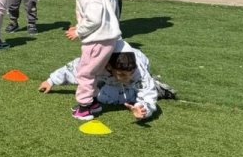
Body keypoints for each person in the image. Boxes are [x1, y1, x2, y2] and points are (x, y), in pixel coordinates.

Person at [52, 0, 121, 121]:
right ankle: (94, 103)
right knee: (93, 73)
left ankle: (85, 107)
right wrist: (80, 26)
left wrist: (79, 31)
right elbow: (95, 17)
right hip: (103, 39)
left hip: (98, 41)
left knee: (84, 73)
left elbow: (94, 19)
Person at [38, 40, 169, 120]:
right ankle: (123, 90)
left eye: (129, 74)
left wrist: (143, 110)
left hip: (134, 80)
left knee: (139, 88)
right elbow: (74, 69)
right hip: (109, 78)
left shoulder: (138, 70)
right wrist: (51, 81)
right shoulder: (97, 63)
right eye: (122, 75)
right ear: (108, 67)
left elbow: (147, 93)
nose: (126, 78)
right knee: (103, 97)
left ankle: (156, 87)